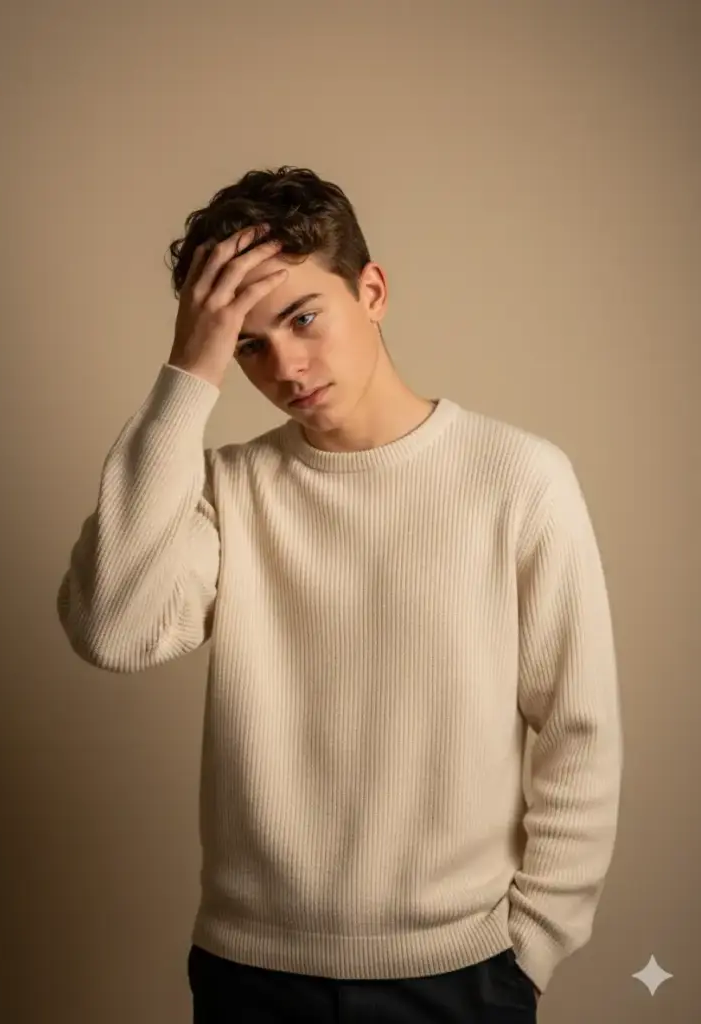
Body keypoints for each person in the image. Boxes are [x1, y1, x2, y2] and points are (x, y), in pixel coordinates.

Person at [57, 166, 624, 1022]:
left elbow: (579, 728)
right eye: (247, 344)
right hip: (248, 969)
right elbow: (111, 627)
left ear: (373, 290)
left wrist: (533, 947)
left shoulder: (518, 479)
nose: (283, 364)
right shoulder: (228, 488)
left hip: (461, 974)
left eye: (301, 317)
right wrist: (188, 373)